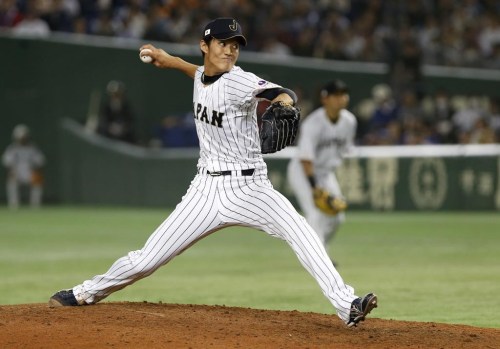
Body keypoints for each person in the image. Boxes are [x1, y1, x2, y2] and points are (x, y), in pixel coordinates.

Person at [48, 18, 377, 327]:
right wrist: (171, 60)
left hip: (251, 188)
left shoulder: (239, 81)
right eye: (223, 43)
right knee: (146, 259)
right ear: (205, 45)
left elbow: (280, 92)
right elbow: (198, 75)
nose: (230, 50)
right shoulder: (202, 77)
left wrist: (285, 104)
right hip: (204, 190)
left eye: (235, 45)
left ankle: (347, 304)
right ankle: (83, 293)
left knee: (302, 233)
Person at [287, 80, 356, 263]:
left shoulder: (349, 121)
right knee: (315, 214)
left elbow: (343, 151)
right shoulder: (313, 123)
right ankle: (319, 259)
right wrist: (314, 187)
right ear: (325, 99)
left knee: (337, 216)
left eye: (343, 94)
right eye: (336, 95)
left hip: (325, 173)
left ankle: (319, 249)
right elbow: (306, 158)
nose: (341, 99)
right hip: (303, 172)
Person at [2, 124, 45, 209]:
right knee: (11, 180)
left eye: (24, 137)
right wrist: (12, 171)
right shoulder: (12, 149)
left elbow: (40, 161)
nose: (22, 139)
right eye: (21, 137)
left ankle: (35, 205)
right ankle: (14, 205)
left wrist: (35, 171)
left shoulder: (32, 148)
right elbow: (7, 162)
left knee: (38, 180)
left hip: (30, 172)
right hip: (17, 172)